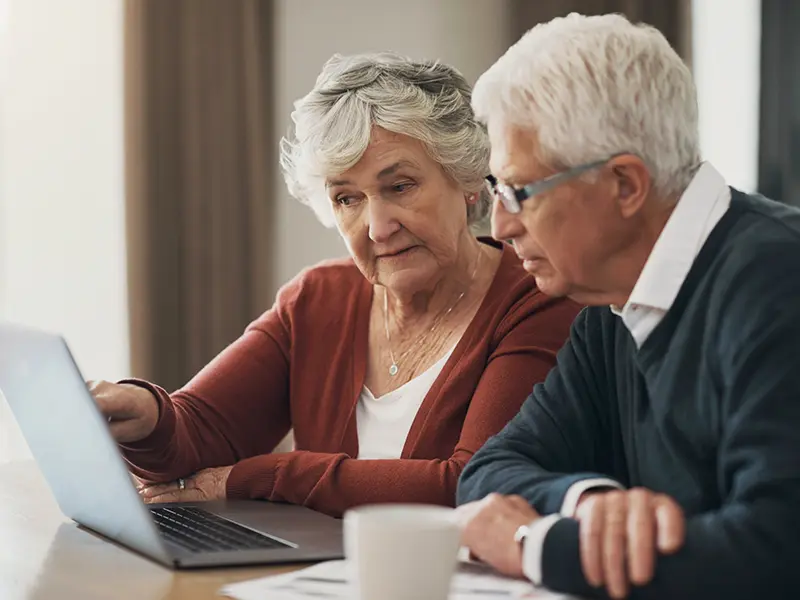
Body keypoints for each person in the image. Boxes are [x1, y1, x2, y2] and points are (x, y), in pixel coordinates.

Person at [89, 52, 580, 518]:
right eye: (347, 198)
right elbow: (197, 433)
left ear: (467, 179)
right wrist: (147, 414)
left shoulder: (535, 302)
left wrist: (257, 477)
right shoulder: (317, 299)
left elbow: (469, 487)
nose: (377, 226)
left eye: (400, 186)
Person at [456, 12, 800, 600]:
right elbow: (490, 472)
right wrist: (592, 505)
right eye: (495, 190)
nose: (501, 224)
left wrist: (534, 545)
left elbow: (773, 551)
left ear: (625, 185)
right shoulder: (609, 306)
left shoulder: (777, 281)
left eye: (519, 191)